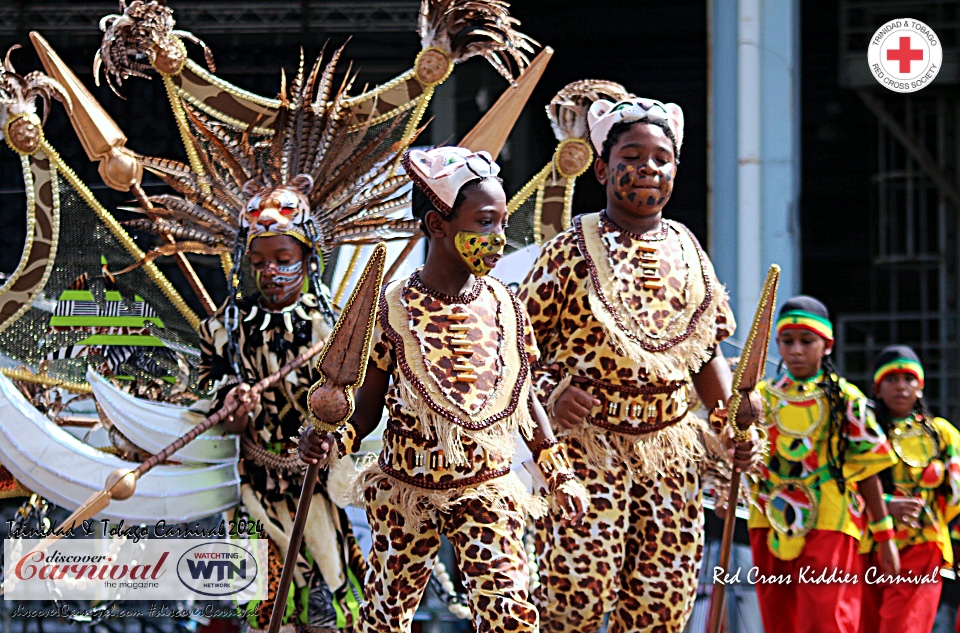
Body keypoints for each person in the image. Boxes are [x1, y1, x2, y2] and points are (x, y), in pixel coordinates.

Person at [300, 146, 586, 633]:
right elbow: (364, 412)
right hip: (406, 492)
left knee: (511, 616)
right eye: (485, 223)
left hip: (487, 487)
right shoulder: (390, 309)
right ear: (437, 225)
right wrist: (331, 441)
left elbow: (526, 394)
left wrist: (557, 470)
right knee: (384, 622)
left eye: (501, 223)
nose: (498, 239)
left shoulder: (506, 305)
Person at [518, 95, 761, 632]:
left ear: (676, 169)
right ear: (603, 167)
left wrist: (732, 422)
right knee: (575, 598)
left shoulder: (689, 249)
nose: (648, 167)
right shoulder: (566, 250)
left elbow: (706, 354)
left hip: (671, 456)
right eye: (632, 155)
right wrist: (555, 391)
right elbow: (515, 350)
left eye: (661, 158)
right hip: (586, 452)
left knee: (663, 602)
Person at [198, 177, 367, 632]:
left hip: (315, 492)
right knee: (263, 613)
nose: (269, 271)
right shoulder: (227, 327)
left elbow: (358, 404)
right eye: (258, 261)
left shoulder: (332, 330)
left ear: (309, 259)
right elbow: (208, 381)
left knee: (329, 609)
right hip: (252, 490)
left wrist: (330, 433)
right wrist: (230, 401)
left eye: (283, 260)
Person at [747, 296, 898, 633]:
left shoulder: (847, 399)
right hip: (768, 516)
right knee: (779, 620)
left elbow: (869, 468)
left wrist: (884, 535)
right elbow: (739, 453)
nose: (797, 350)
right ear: (778, 345)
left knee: (827, 620)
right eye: (788, 341)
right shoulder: (760, 397)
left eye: (807, 341)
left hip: (831, 517)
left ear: (827, 345)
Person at [859, 345, 960, 633]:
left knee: (901, 627)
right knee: (867, 625)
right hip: (868, 546)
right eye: (891, 379)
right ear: (877, 389)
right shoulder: (863, 432)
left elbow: (955, 494)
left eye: (908, 379)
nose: (901, 387)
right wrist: (886, 504)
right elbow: (842, 486)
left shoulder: (943, 433)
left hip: (921, 545)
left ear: (920, 387)